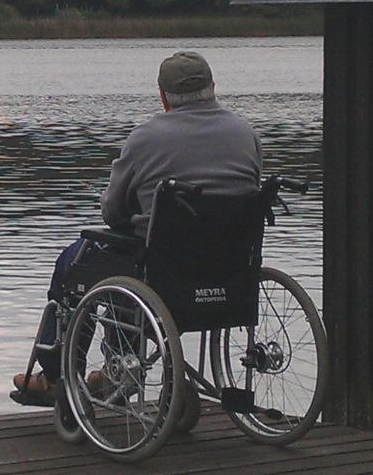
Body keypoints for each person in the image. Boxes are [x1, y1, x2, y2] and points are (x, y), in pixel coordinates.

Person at [13, 51, 262, 398]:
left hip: (164, 274)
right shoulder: (245, 133)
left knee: (78, 261)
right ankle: (119, 369)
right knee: (123, 263)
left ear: (163, 96)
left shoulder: (147, 138)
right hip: (230, 274)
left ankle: (60, 374)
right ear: (213, 88)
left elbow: (112, 213)